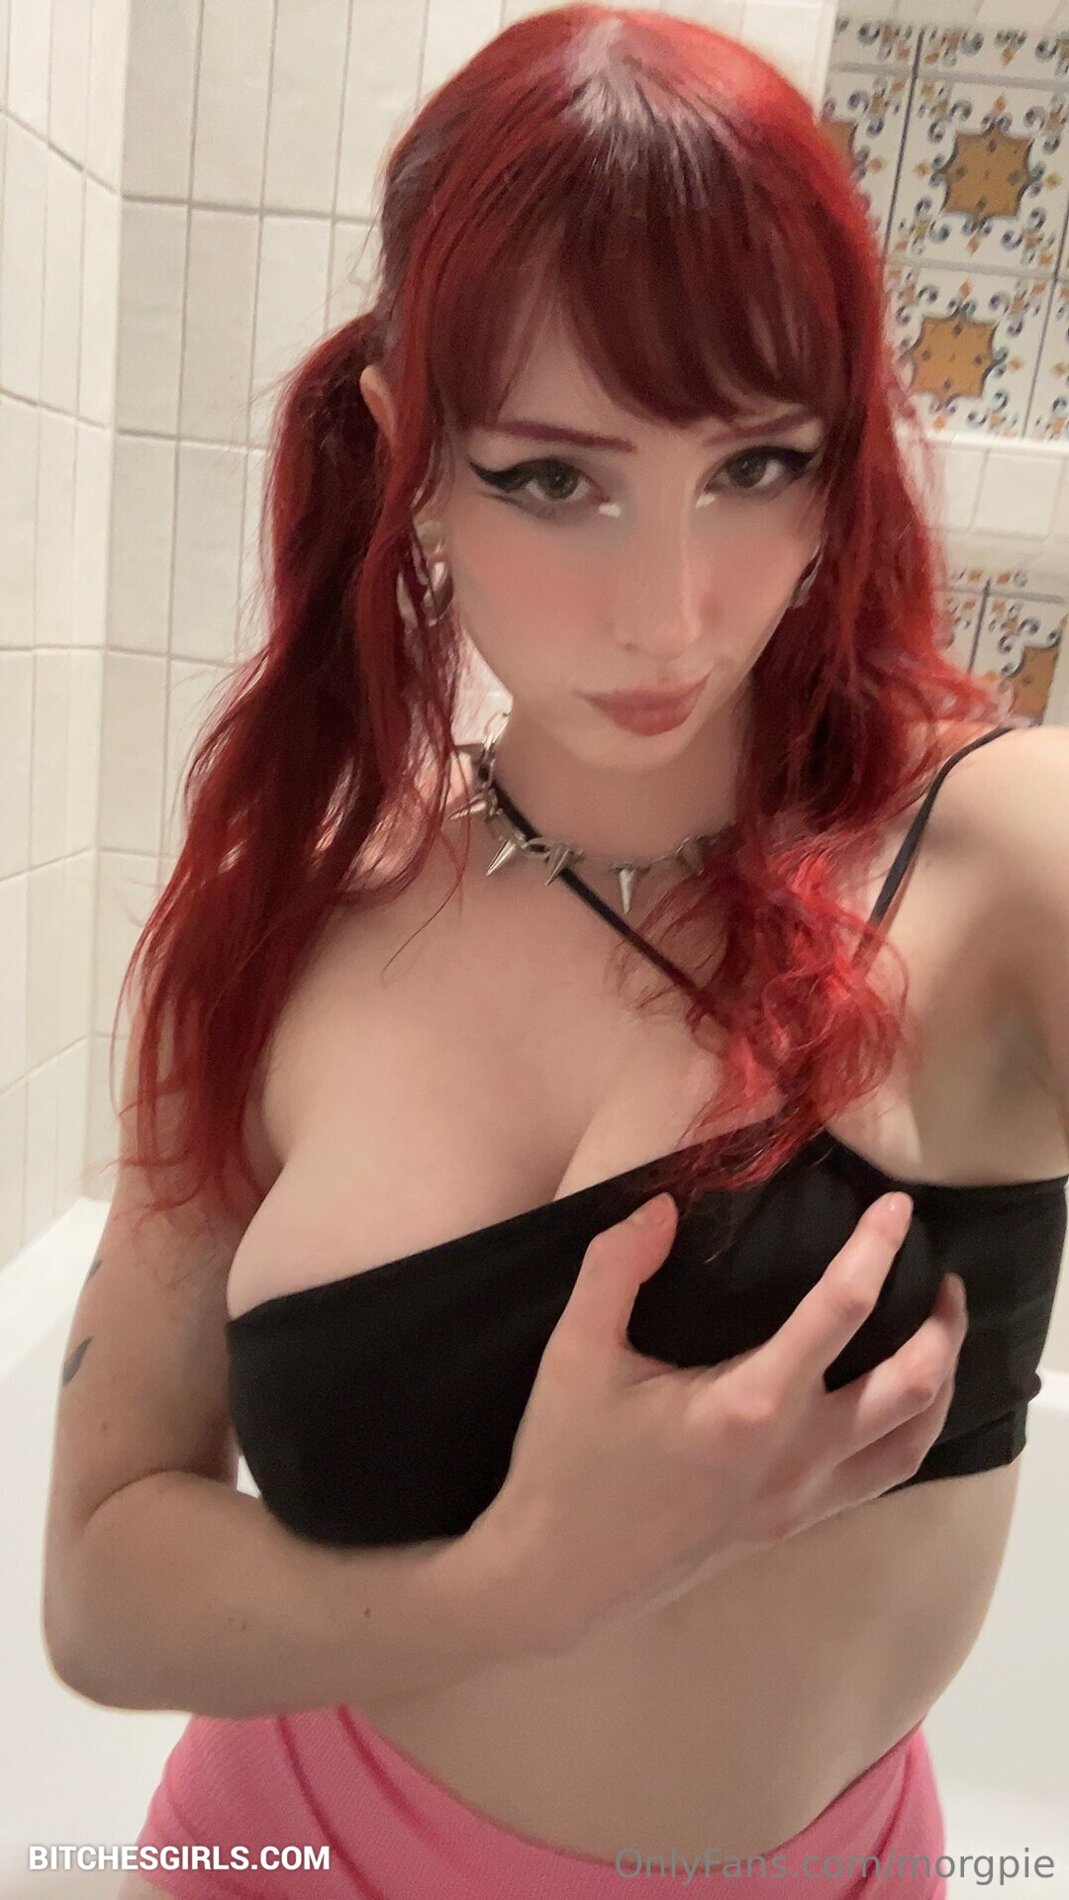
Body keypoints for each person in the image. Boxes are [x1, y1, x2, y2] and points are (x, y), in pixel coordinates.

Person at [43, 7, 1068, 1897]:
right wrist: (520, 1584)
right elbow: (101, 1586)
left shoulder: (994, 859)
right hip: (272, 1849)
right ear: (409, 460)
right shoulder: (286, 922)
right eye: (551, 479)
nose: (667, 611)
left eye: (755, 464)